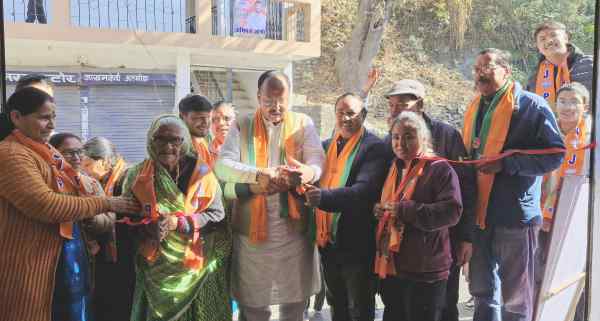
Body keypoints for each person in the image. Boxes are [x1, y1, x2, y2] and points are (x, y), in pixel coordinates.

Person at [0, 87, 140, 321]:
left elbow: (74, 198)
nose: (51, 125)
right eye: (44, 117)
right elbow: (46, 205)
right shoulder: (11, 154)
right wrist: (107, 203)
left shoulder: (46, 153)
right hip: (28, 265)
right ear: (16, 117)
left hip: (63, 261)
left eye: (53, 117)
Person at [215, 70, 325, 321]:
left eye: (281, 100)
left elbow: (317, 161)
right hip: (252, 231)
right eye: (268, 101)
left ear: (290, 98)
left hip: (293, 231)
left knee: (295, 303)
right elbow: (222, 165)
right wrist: (259, 174)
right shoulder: (242, 123)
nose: (276, 107)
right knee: (253, 305)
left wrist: (306, 173)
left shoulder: (303, 122)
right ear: (257, 97)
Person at [465, 48, 565, 321]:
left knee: (516, 297)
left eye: (487, 67)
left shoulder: (531, 106)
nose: (480, 73)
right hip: (479, 217)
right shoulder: (475, 107)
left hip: (515, 217)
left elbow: (555, 155)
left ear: (506, 71)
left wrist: (506, 164)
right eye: (476, 69)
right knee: (482, 291)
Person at [382, 79, 476, 321]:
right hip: (399, 251)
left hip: (439, 247)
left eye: (402, 104)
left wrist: (466, 237)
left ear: (420, 104)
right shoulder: (391, 143)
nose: (395, 110)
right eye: (391, 105)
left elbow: (464, 190)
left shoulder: (446, 136)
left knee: (443, 307)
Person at [125, 114, 231, 321]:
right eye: (160, 139)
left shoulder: (202, 173)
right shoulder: (138, 175)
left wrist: (179, 223)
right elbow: (127, 217)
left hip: (195, 264)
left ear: (184, 142)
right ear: (150, 141)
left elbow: (218, 215)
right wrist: (149, 227)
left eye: (175, 140)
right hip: (155, 266)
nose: (167, 146)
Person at [304, 92, 387, 321]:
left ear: (364, 115)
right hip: (328, 242)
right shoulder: (327, 146)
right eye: (340, 112)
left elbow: (363, 192)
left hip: (358, 244)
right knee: (336, 304)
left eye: (351, 113)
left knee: (359, 307)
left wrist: (322, 198)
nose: (345, 118)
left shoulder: (374, 148)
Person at [374, 112, 462, 321]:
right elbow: (393, 203)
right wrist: (381, 211)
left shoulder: (440, 169)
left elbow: (452, 212)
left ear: (424, 138)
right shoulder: (395, 167)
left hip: (426, 268)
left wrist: (407, 210)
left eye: (409, 136)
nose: (400, 143)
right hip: (394, 264)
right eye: (396, 137)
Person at [537, 82, 592, 321]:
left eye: (574, 102)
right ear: (555, 104)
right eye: (563, 101)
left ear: (585, 106)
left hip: (576, 220)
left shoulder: (592, 136)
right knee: (539, 275)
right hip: (542, 218)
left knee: (574, 277)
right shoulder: (544, 132)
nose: (567, 107)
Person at [178, 94, 235, 320]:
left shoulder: (204, 146)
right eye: (198, 119)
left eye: (206, 118)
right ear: (183, 117)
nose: (205, 124)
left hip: (213, 229)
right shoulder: (182, 148)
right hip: (193, 232)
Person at [81, 136, 136, 321]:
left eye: (87, 165)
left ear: (104, 162)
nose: (84, 171)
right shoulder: (102, 180)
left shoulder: (128, 177)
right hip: (110, 252)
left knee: (123, 301)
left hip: (128, 250)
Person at [526, 21, 593, 111]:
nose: (549, 41)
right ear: (538, 48)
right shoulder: (534, 78)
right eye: (542, 39)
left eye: (553, 35)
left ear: (566, 38)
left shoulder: (590, 63)